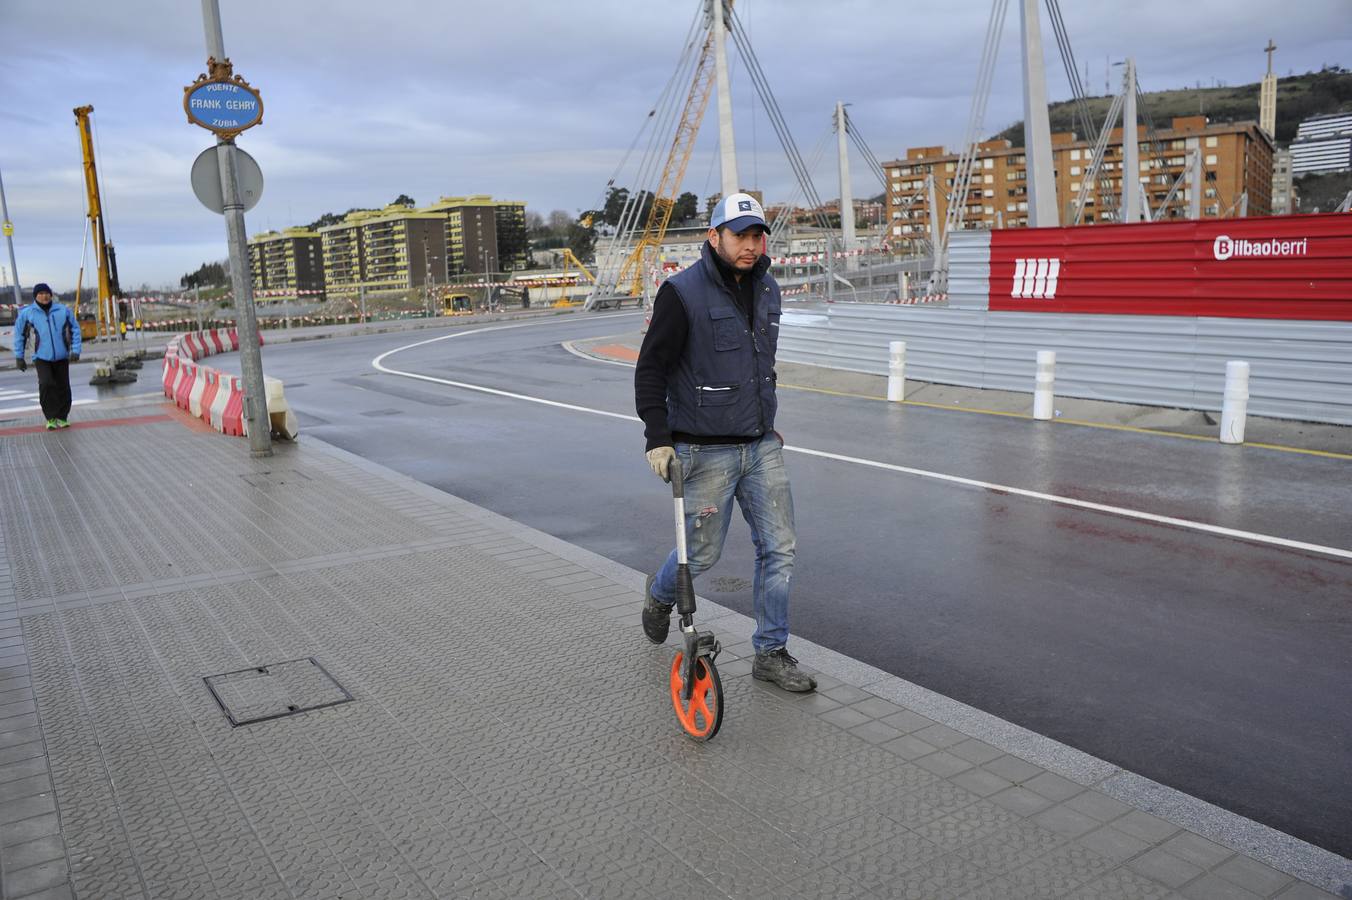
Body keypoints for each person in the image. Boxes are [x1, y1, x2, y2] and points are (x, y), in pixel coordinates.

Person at [634, 193, 816, 693]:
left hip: (760, 446)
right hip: (702, 448)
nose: (751, 245)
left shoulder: (768, 290)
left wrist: (763, 418)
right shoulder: (682, 293)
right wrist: (657, 437)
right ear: (713, 237)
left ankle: (771, 653)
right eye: (740, 235)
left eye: (758, 235)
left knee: (779, 548)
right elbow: (651, 368)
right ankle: (659, 592)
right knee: (701, 554)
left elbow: (761, 365)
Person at [12, 283, 81, 430]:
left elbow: (75, 329)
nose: (44, 296)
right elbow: (19, 335)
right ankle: (50, 417)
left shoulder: (63, 310)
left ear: (51, 294)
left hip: (62, 356)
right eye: (41, 293)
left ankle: (62, 417)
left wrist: (75, 350)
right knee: (46, 384)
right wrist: (19, 357)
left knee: (63, 386)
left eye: (47, 293)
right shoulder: (27, 313)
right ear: (35, 296)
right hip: (41, 357)